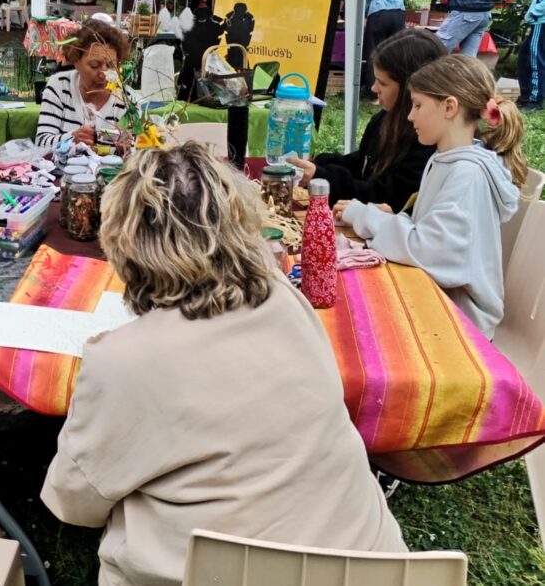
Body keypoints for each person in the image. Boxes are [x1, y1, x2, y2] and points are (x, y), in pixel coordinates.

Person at [41, 143, 407, 585]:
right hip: (365, 570)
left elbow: (75, 500)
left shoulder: (122, 359)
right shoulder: (285, 299)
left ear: (125, 242)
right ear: (242, 223)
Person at [340, 55, 524, 338]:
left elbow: (428, 251)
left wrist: (365, 216)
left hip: (461, 323)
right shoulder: (447, 159)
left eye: (417, 105)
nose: (410, 115)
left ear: (449, 107)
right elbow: (434, 235)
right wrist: (393, 218)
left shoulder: (466, 174)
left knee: (356, 325)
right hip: (440, 303)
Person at [288, 29, 445, 212]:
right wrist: (321, 163)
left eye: (383, 83)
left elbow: (387, 198)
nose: (373, 88)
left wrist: (323, 177)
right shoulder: (384, 121)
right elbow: (364, 162)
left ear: (411, 88)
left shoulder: (428, 141)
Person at [35, 20, 130, 149]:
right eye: (94, 65)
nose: (104, 73)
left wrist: (127, 148)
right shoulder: (59, 86)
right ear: (75, 60)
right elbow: (41, 144)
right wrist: (72, 138)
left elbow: (142, 148)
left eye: (111, 66)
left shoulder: (126, 99)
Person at [362, 0, 406, 98]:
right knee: (397, 53)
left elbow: (366, 2)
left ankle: (373, 94)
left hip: (378, 13)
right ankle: (397, 92)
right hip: (398, 13)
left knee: (374, 54)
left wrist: (365, 17)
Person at [517, 0, 545, 110]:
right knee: (524, 59)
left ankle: (535, 99)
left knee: (536, 60)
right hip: (539, 21)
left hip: (541, 21)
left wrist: (533, 13)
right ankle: (526, 95)